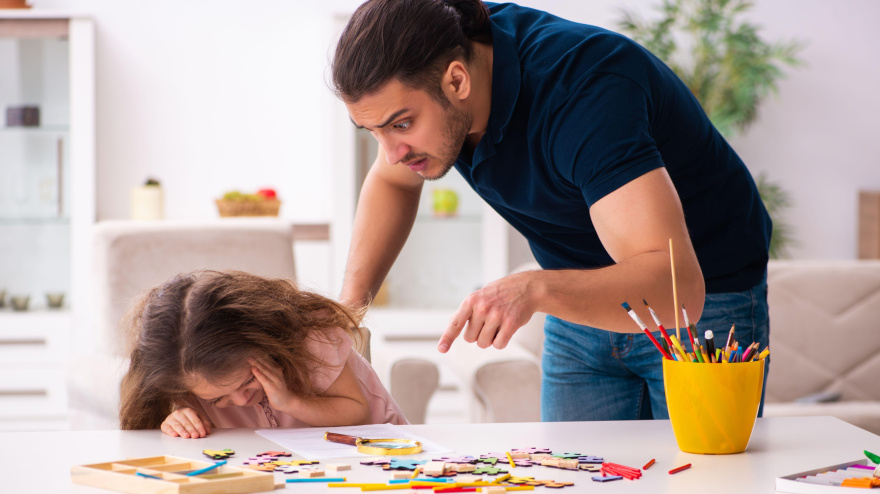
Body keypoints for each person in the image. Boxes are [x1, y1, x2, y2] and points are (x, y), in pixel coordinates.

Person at [331, 0, 771, 422]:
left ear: (457, 81)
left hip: (700, 300)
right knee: (576, 467)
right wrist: (347, 315)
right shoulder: (440, 59)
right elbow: (391, 181)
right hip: (579, 301)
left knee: (699, 469)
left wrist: (535, 288)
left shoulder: (584, 93)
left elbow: (679, 291)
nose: (392, 153)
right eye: (374, 131)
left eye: (401, 124)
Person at [119, 270, 406, 437]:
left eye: (248, 381)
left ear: (265, 340)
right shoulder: (183, 374)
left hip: (380, 451)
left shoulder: (312, 338)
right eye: (217, 399)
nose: (241, 400)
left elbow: (358, 414)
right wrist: (177, 418)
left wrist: (290, 402)